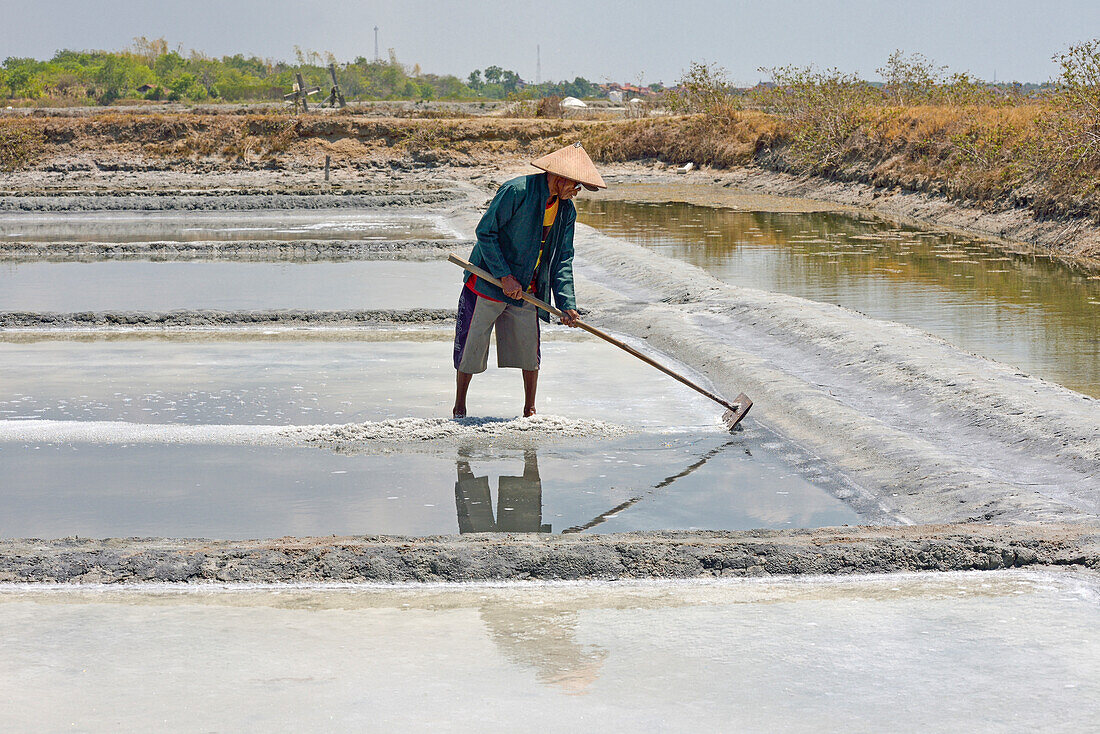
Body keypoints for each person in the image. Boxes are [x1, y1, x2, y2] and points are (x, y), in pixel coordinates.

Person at [452, 142, 606, 418]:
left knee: (529, 353)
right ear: (559, 179)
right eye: (575, 185)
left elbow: (563, 259)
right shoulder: (517, 191)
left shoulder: (566, 211)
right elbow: (486, 233)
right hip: (488, 283)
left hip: (526, 289)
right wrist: (504, 276)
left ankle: (530, 410)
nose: (577, 191)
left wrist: (567, 303)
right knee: (470, 350)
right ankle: (460, 407)